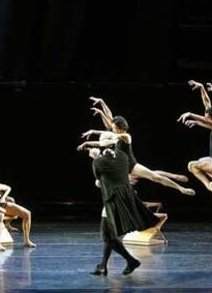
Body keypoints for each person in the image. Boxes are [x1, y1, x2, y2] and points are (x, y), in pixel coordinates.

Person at [78, 98, 195, 196]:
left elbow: (110, 131)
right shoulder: (114, 135)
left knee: (155, 177)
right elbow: (109, 123)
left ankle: (180, 188)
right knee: (151, 173)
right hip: (121, 168)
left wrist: (94, 129)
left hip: (131, 166)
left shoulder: (126, 136)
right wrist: (87, 143)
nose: (111, 128)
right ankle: (173, 176)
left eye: (114, 127)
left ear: (119, 128)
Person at [85, 133, 159, 276]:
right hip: (126, 198)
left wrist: (95, 158)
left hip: (113, 200)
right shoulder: (123, 157)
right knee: (108, 235)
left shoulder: (99, 162)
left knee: (106, 236)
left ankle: (130, 260)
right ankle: (103, 266)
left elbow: (99, 182)